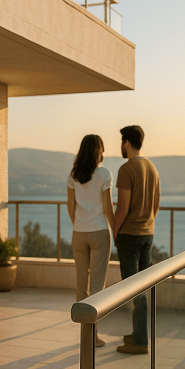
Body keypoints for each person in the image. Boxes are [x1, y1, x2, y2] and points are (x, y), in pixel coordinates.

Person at [114, 125, 160, 355]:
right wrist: (148, 224)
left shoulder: (126, 169)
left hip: (130, 237)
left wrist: (115, 232)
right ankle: (138, 334)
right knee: (141, 286)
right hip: (147, 235)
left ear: (127, 143)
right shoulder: (152, 168)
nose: (121, 146)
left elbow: (121, 208)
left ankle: (140, 342)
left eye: (121, 142)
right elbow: (156, 205)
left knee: (133, 289)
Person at [67, 134, 115, 348]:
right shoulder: (104, 173)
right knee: (97, 286)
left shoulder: (74, 174)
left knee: (81, 285)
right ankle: (93, 336)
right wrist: (117, 231)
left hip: (79, 233)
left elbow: (71, 206)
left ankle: (84, 334)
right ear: (99, 151)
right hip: (99, 233)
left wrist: (79, 224)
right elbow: (107, 207)